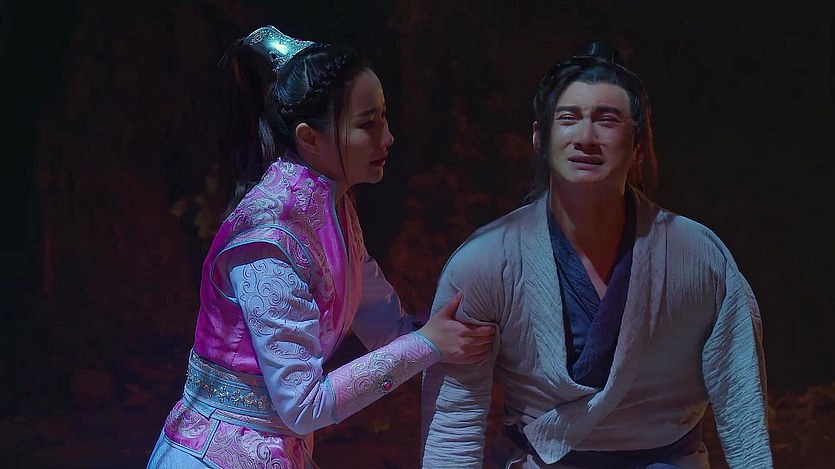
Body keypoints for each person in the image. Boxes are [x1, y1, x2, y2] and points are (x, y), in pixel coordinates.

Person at [146, 24, 494, 468]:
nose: (387, 137)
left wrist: (459, 326)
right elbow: (303, 405)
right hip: (216, 454)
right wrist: (428, 345)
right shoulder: (268, 240)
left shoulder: (333, 206)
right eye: (367, 124)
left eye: (384, 117)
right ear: (310, 138)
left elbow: (388, 329)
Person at [420, 41, 772, 468]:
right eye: (568, 119)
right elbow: (455, 418)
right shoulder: (486, 260)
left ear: (638, 145)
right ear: (540, 137)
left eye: (607, 120)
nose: (585, 138)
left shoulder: (698, 256)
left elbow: (740, 398)